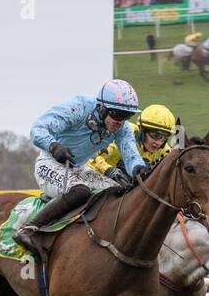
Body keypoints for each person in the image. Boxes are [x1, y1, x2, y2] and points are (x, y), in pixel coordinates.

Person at [14, 79, 149, 260]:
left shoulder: (121, 128)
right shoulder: (77, 108)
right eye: (117, 114)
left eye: (127, 115)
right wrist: (53, 146)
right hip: (49, 163)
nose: (121, 121)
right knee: (80, 192)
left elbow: (130, 152)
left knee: (118, 191)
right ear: (102, 107)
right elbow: (38, 129)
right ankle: (29, 230)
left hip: (78, 167)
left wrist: (138, 169)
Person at [88, 103, 176, 178]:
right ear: (142, 130)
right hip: (95, 178)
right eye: (155, 135)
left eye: (164, 138)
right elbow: (90, 157)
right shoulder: (122, 135)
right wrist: (108, 170)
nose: (158, 143)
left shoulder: (165, 151)